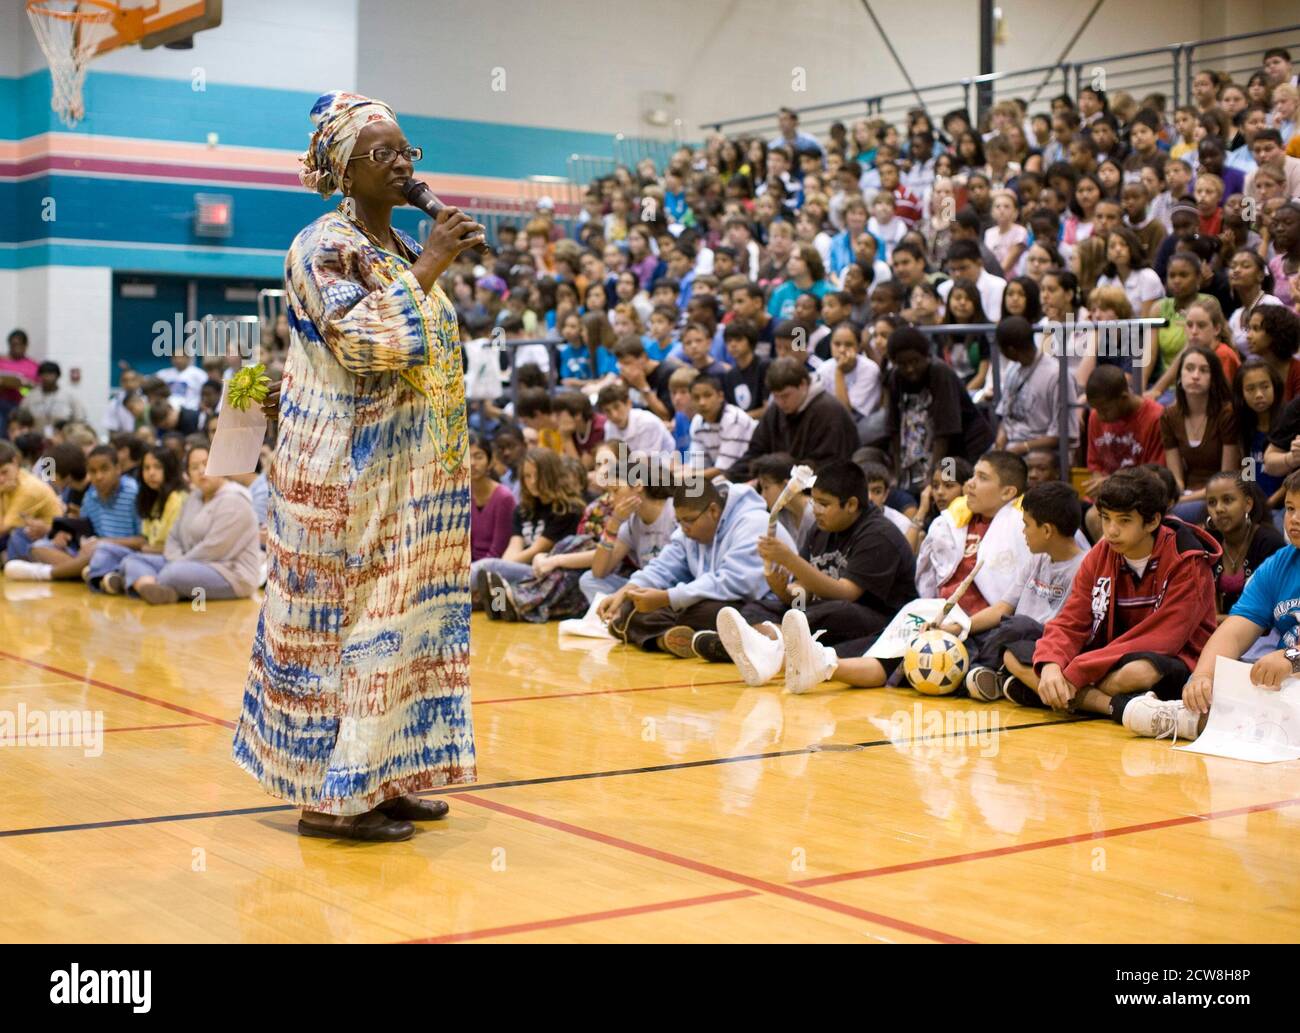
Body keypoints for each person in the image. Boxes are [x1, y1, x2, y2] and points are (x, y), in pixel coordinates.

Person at [231, 92, 484, 842]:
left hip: (411, 480)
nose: (404, 164)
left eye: (409, 150)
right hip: (343, 478)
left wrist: (424, 260)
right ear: (345, 167)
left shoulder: (402, 249)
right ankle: (328, 798)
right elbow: (365, 345)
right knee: (349, 635)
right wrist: (436, 260)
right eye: (386, 153)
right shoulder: (322, 247)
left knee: (402, 629)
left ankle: (382, 777)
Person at [1031, 467, 1219, 722]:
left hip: (1173, 658)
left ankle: (1057, 694)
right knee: (1017, 645)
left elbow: (1164, 639)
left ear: (1152, 521)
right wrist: (1052, 664)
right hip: (1106, 656)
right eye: (1105, 518)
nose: (1111, 531)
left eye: (1124, 521)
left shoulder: (1187, 560)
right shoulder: (1101, 553)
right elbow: (1072, 619)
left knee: (1139, 673)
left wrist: (1077, 671)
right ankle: (1112, 706)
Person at [712, 461, 918, 688]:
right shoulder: (820, 529)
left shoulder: (879, 534)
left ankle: (767, 648)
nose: (815, 510)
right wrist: (784, 590)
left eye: (823, 504)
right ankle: (775, 648)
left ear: (850, 505)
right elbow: (804, 592)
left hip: (877, 620)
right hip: (824, 615)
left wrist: (790, 560)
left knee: (835, 610)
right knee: (755, 609)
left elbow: (846, 593)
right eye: (813, 501)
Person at [1140, 469, 1300, 742]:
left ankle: (1187, 722)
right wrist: (1203, 676)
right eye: (1289, 508)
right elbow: (1234, 632)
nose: (1294, 519)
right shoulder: (1279, 564)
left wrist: (1292, 658)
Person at [595, 477, 791, 658]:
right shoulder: (688, 529)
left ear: (713, 511)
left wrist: (666, 597)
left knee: (705, 612)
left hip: (762, 606)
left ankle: (664, 636)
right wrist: (626, 591)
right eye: (679, 522)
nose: (684, 528)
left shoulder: (753, 523)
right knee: (632, 606)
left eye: (689, 521)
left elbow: (734, 584)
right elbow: (664, 565)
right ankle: (671, 640)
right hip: (713, 606)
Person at [961, 480, 1087, 702]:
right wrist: (958, 628)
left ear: (1047, 530)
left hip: (1048, 644)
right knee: (973, 633)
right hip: (1016, 639)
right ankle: (998, 677)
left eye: (1027, 525)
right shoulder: (1037, 559)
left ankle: (977, 670)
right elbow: (1002, 607)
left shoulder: (1085, 566)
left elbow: (1069, 630)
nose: (1023, 532)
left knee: (1018, 625)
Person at [124, 443, 260, 605]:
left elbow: (214, 549)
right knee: (133, 560)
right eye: (194, 467)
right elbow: (174, 536)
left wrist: (177, 563)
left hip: (230, 574)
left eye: (207, 464)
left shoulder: (235, 500)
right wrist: (174, 559)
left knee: (172, 573)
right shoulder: (194, 497)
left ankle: (152, 583)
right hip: (188, 564)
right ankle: (154, 589)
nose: (202, 471)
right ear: (188, 474)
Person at [916, 451, 1033, 627]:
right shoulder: (950, 521)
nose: (970, 483)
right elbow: (928, 582)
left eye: (982, 478)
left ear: (1007, 492)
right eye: (972, 476)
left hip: (987, 628)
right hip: (937, 618)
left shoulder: (1024, 526)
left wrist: (955, 628)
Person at [4, 444, 142, 582]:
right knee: (38, 548)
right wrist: (65, 536)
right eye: (93, 471)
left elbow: (144, 540)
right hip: (88, 550)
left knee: (102, 552)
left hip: (120, 550)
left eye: (104, 469)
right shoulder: (89, 495)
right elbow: (83, 530)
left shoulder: (133, 493)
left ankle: (47, 573)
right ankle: (87, 572)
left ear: (118, 469)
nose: (99, 477)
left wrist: (100, 542)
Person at [886, 326, 994, 499]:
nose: (910, 368)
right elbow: (893, 427)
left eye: (915, 361)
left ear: (926, 356)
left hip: (962, 446)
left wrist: (933, 477)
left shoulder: (940, 373)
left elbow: (946, 430)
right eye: (903, 364)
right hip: (924, 446)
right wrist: (899, 472)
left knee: (948, 494)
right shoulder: (895, 377)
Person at [472, 446, 584, 612]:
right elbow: (514, 545)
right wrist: (502, 567)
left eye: (538, 476)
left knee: (489, 568)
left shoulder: (567, 509)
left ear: (551, 475)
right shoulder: (523, 509)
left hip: (550, 573)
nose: (532, 482)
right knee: (493, 572)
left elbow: (537, 549)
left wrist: (498, 567)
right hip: (524, 571)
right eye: (527, 476)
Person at [728, 358, 860, 481]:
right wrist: (729, 476)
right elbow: (756, 452)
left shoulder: (830, 413)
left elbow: (827, 466)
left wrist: (776, 470)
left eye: (785, 396)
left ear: (803, 384)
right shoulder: (775, 410)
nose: (780, 402)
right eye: (776, 396)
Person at [87, 445, 187, 593]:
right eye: (146, 468)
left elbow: (177, 548)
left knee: (131, 561)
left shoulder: (178, 499)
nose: (151, 473)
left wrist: (146, 549)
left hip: (171, 558)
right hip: (149, 554)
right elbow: (146, 539)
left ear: (170, 469)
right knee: (104, 549)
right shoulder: (152, 499)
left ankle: (144, 587)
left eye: (157, 467)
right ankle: (115, 578)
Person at [1158, 345, 1240, 523]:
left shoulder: (1226, 414)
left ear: (1214, 378)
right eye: (1189, 369)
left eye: (1204, 370)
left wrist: (1180, 501)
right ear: (1179, 376)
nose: (1195, 376)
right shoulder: (1169, 416)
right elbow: (1176, 478)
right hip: (1186, 493)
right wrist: (1176, 496)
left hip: (1220, 496)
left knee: (1170, 516)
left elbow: (1226, 476)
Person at [580, 465, 676, 602]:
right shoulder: (631, 523)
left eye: (616, 490)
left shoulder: (674, 510)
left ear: (638, 485)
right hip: (644, 587)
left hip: (672, 587)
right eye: (609, 493)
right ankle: (618, 613)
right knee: (588, 579)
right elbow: (599, 572)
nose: (611, 499)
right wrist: (613, 525)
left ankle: (624, 613)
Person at [1203, 470, 1287, 617]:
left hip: (1265, 633)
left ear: (1248, 504)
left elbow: (1271, 611)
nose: (1218, 509)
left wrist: (1220, 622)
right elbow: (1208, 607)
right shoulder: (1208, 543)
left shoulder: (1269, 544)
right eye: (1212, 502)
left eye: (1227, 500)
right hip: (1220, 630)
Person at [993, 316, 1077, 456]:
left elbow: (1066, 434)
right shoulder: (1012, 368)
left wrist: (1021, 448)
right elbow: (1006, 416)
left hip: (1043, 451)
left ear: (1011, 350)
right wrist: (1000, 440)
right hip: (1012, 446)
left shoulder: (1057, 375)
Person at [815, 322, 881, 443]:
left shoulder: (870, 369)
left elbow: (847, 415)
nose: (842, 350)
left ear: (858, 346)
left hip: (860, 429)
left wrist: (839, 372)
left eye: (848, 344)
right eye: (837, 344)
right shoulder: (823, 369)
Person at [0, 440, 64, 555]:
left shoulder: (29, 489)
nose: (1, 479)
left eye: (4, 472)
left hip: (51, 541)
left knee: (17, 534)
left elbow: (2, 530)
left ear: (15, 462)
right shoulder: (16, 478)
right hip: (26, 538)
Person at [687, 375, 756, 480]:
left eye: (707, 395)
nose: (702, 402)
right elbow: (698, 465)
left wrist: (684, 477)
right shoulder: (697, 422)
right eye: (696, 397)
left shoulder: (734, 419)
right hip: (722, 476)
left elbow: (724, 468)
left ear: (720, 396)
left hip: (746, 475)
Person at [597, 382, 676, 458]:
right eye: (607, 411)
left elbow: (646, 463)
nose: (614, 415)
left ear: (629, 404)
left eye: (617, 407)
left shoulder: (647, 422)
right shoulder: (609, 426)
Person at [470, 432, 515, 561]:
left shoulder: (504, 498)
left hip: (495, 566)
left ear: (490, 462)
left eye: (478, 457)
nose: (472, 463)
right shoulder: (462, 496)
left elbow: (498, 550)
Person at [23, 361, 87, 435]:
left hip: (62, 438)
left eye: (50, 374)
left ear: (58, 376)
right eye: (44, 374)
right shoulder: (31, 397)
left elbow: (80, 419)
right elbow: (22, 418)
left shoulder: (68, 397)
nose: (47, 377)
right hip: (36, 439)